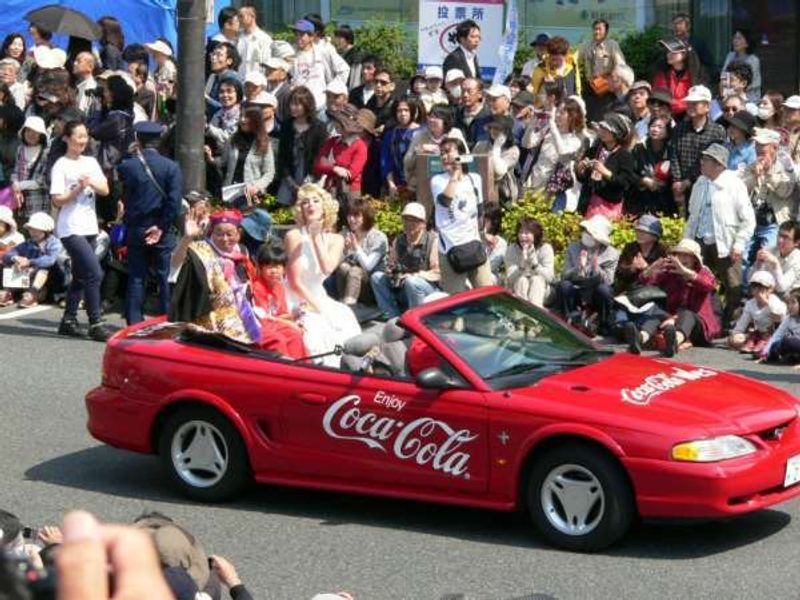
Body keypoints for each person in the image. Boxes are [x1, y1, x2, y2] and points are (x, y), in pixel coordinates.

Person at [284, 183, 361, 367]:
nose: (310, 205)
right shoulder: (294, 236)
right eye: (305, 202)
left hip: (318, 293)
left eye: (315, 201)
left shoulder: (337, 239)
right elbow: (294, 282)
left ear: (324, 207)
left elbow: (327, 268)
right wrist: (318, 307)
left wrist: (316, 236)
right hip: (296, 296)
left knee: (344, 317)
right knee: (316, 327)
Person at [117, 121, 183, 325]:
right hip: (163, 228)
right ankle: (166, 319)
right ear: (159, 139)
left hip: (137, 226)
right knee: (165, 275)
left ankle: (134, 321)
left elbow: (122, 197)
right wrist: (162, 226)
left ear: (138, 140)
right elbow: (175, 202)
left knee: (137, 275)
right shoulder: (171, 166)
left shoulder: (127, 166)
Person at [50, 120, 111, 341]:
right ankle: (96, 322)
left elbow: (105, 189)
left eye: (85, 136)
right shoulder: (61, 165)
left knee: (80, 275)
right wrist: (77, 189)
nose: (83, 140)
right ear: (67, 138)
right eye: (78, 136)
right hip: (70, 228)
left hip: (89, 225)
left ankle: (68, 320)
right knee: (94, 272)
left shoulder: (91, 162)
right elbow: (57, 201)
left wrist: (91, 183)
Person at [684, 143, 755, 328]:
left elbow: (748, 219)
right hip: (700, 242)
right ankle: (704, 321)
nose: (702, 163)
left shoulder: (734, 184)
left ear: (720, 165)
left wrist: (739, 244)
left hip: (725, 243)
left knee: (733, 286)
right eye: (703, 159)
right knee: (697, 282)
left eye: (707, 160)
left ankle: (729, 323)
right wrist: (686, 243)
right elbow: (692, 215)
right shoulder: (700, 182)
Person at [169, 209, 261, 344]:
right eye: (219, 233)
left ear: (239, 234)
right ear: (212, 232)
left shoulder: (241, 251)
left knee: (289, 333)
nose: (224, 239)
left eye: (229, 234)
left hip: (245, 313)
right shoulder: (200, 250)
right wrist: (187, 238)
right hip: (213, 318)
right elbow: (176, 264)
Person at [629, 239, 720, 357]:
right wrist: (650, 270)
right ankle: (640, 338)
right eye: (680, 254)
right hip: (672, 319)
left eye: (687, 255)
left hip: (697, 325)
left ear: (695, 259)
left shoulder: (703, 271)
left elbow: (708, 285)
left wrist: (685, 272)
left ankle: (673, 343)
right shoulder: (670, 272)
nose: (683, 258)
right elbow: (646, 282)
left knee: (687, 314)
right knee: (658, 314)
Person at [431, 137, 492, 293]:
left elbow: (480, 210)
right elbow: (445, 201)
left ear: (461, 154)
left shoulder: (474, 178)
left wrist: (483, 235)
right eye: (441, 154)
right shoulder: (437, 180)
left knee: (487, 295)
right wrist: (455, 175)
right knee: (456, 301)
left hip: (474, 245)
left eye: (448, 152)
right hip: (450, 249)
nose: (444, 157)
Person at [740, 127, 797, 276]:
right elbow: (741, 189)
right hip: (753, 219)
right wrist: (754, 175)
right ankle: (744, 293)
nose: (758, 151)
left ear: (774, 148)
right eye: (757, 147)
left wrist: (769, 172)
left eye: (763, 147)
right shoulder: (753, 165)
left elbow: (786, 191)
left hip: (773, 222)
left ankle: (763, 291)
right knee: (743, 256)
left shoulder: (787, 166)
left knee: (766, 257)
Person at [371, 202, 440, 318]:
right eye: (406, 220)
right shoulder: (399, 241)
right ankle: (393, 317)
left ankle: (417, 320)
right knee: (377, 277)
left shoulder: (433, 241)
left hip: (426, 289)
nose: (408, 224)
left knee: (412, 282)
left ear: (423, 224)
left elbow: (438, 273)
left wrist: (415, 275)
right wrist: (391, 271)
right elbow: (392, 264)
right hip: (402, 286)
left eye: (413, 220)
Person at [554, 215, 619, 335]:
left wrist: (596, 267)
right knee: (564, 285)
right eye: (586, 231)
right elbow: (564, 275)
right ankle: (570, 318)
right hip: (576, 290)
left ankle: (602, 323)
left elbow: (609, 281)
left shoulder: (611, 253)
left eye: (590, 232)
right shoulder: (574, 247)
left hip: (595, 294)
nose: (586, 234)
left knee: (604, 290)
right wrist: (578, 268)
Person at [521, 96, 586, 211]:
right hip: (534, 179)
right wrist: (532, 122)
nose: (557, 115)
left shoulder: (575, 140)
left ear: (572, 116)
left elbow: (562, 151)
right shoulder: (549, 130)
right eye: (557, 112)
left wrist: (552, 125)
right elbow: (527, 144)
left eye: (562, 112)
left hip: (552, 187)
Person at [669, 85, 726, 212]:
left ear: (707, 106)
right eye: (689, 103)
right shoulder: (679, 129)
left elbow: (715, 161)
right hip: (680, 188)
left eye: (696, 103)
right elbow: (674, 155)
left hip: (707, 186)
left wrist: (690, 181)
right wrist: (677, 181)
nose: (691, 106)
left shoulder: (717, 131)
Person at [575, 112, 636, 220]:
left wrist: (605, 172)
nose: (602, 131)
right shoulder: (593, 151)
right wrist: (580, 170)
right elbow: (583, 179)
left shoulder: (625, 156)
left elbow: (625, 183)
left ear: (616, 133)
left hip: (608, 207)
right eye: (602, 128)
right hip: (586, 203)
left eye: (606, 129)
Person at [251, 240, 306, 359]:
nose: (274, 271)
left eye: (277, 267)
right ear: (260, 268)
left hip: (275, 323)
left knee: (296, 334)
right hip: (263, 324)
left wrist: (294, 318)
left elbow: (282, 313)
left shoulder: (279, 286)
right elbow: (265, 317)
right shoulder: (257, 287)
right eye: (269, 267)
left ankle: (302, 366)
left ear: (284, 269)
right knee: (284, 337)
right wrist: (289, 323)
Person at [275, 86, 328, 205]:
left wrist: (309, 180)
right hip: (290, 175)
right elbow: (282, 155)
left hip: (311, 175)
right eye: (291, 104)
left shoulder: (319, 127)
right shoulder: (286, 126)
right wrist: (289, 181)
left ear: (307, 105)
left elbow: (320, 156)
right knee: (283, 206)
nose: (293, 108)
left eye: (297, 104)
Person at [1, 212, 63, 308]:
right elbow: (7, 255)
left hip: (52, 282)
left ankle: (33, 293)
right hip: (29, 278)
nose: (32, 232)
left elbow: (50, 260)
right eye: (31, 229)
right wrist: (16, 258)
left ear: (46, 230)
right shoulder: (29, 243)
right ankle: (8, 293)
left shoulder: (55, 244)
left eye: (36, 230)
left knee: (43, 268)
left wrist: (29, 262)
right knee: (13, 264)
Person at [403, 105, 467, 194]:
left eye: (436, 117)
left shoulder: (455, 134)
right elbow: (407, 164)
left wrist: (446, 153)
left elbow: (466, 159)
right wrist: (418, 151)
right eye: (430, 116)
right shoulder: (419, 135)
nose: (431, 120)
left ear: (445, 120)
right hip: (423, 185)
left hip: (451, 183)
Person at [215, 106, 275, 200]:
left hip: (252, 194)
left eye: (246, 117)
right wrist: (211, 159)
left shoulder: (264, 143)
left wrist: (257, 186)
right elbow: (223, 162)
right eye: (241, 116)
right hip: (231, 192)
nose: (242, 120)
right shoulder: (233, 139)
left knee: (249, 214)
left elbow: (269, 172)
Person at [337, 198, 388, 305]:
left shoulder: (378, 237)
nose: (351, 219)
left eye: (356, 216)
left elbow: (368, 266)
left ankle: (349, 307)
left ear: (365, 217)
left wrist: (356, 247)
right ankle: (343, 303)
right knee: (343, 267)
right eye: (349, 215)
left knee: (355, 270)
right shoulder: (345, 234)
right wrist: (345, 250)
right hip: (348, 286)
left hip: (372, 288)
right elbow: (333, 266)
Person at [313, 104, 368, 198]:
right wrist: (335, 169)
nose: (335, 124)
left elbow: (350, 174)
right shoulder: (331, 141)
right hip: (329, 189)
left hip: (349, 193)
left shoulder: (360, 146)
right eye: (336, 121)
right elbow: (318, 165)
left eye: (339, 121)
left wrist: (328, 165)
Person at [578, 19, 626, 121]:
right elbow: (576, 58)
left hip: (605, 86)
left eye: (600, 29)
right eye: (595, 29)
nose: (596, 32)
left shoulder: (612, 45)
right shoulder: (587, 45)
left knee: (604, 115)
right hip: (590, 86)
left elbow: (621, 65)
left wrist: (612, 78)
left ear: (606, 31)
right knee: (589, 115)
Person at [728, 270, 786, 355]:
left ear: (770, 289)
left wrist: (766, 303)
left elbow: (780, 316)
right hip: (759, 332)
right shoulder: (750, 303)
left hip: (775, 333)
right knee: (736, 339)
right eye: (754, 287)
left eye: (761, 287)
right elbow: (742, 323)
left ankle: (767, 345)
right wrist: (735, 334)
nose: (757, 291)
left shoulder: (774, 300)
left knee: (775, 318)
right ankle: (754, 342)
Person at [504, 216, 555, 307]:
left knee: (536, 280)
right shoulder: (512, 249)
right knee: (522, 281)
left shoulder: (545, 248)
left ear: (535, 234)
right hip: (517, 287)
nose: (523, 236)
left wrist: (535, 265)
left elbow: (550, 278)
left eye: (527, 233)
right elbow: (510, 279)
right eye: (520, 232)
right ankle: (521, 316)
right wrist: (522, 265)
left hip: (542, 290)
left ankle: (536, 316)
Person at [630, 115, 675, 216]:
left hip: (665, 202)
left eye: (660, 127)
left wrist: (664, 184)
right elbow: (630, 173)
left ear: (668, 132)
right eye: (653, 126)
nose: (655, 129)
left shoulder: (672, 151)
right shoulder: (639, 149)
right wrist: (643, 180)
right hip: (641, 200)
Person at [651, 38, 707, 119]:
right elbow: (659, 98)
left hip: (690, 117)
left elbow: (698, 101)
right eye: (667, 52)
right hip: (666, 117)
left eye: (672, 52)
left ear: (684, 54)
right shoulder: (662, 74)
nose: (668, 54)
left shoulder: (697, 75)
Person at [380, 97, 423, 198]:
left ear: (412, 111)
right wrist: (391, 184)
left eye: (406, 110)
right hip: (397, 185)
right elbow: (385, 161)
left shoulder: (423, 132)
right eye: (399, 110)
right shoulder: (390, 134)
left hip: (419, 185)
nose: (403, 114)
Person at [473, 115, 519, 205]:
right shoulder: (480, 145)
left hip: (501, 192)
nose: (493, 131)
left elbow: (499, 171)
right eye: (491, 128)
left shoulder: (513, 150)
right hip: (480, 189)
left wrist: (497, 147)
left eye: (498, 128)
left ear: (506, 132)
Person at [10, 116, 49, 219]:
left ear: (41, 135)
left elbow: (43, 180)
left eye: (35, 132)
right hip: (19, 200)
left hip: (37, 203)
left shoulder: (46, 152)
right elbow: (15, 170)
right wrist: (14, 183)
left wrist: (20, 185)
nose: (31, 134)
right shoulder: (20, 149)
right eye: (28, 131)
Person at [752, 220, 800, 297]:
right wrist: (758, 263)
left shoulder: (798, 260)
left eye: (786, 237)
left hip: (790, 300)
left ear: (796, 243)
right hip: (769, 294)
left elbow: (781, 288)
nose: (780, 240)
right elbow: (752, 279)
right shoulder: (770, 250)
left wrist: (775, 264)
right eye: (779, 235)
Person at [530, 37, 581, 105]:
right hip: (546, 110)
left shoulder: (572, 68)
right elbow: (534, 93)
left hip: (567, 110)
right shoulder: (541, 69)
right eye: (553, 59)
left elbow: (576, 90)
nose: (555, 63)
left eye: (558, 60)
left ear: (565, 56)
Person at [761, 289, 800, 366]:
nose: (790, 306)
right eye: (788, 303)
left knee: (790, 341)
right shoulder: (789, 318)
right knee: (778, 343)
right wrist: (765, 353)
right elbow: (777, 335)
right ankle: (773, 356)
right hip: (794, 346)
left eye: (793, 302)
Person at [721, 29, 761, 103]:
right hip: (730, 95)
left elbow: (753, 83)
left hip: (749, 98)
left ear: (747, 43)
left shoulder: (753, 60)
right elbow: (724, 76)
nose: (735, 41)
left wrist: (736, 90)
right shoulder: (730, 56)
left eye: (739, 38)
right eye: (734, 38)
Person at [206, 75, 243, 147]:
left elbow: (227, 138)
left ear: (237, 93)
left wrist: (208, 128)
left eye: (229, 91)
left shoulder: (241, 114)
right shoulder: (218, 113)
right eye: (221, 92)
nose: (225, 95)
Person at [236, 5, 272, 77]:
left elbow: (267, 62)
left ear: (252, 17)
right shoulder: (237, 37)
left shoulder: (264, 38)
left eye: (241, 16)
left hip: (256, 82)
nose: (239, 19)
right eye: (238, 17)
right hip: (239, 80)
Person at [481, 203, 506, 284]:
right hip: (470, 273)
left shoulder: (501, 243)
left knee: (489, 278)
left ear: (494, 222)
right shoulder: (474, 237)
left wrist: (491, 248)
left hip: (490, 275)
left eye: (486, 220)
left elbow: (491, 267)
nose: (482, 222)